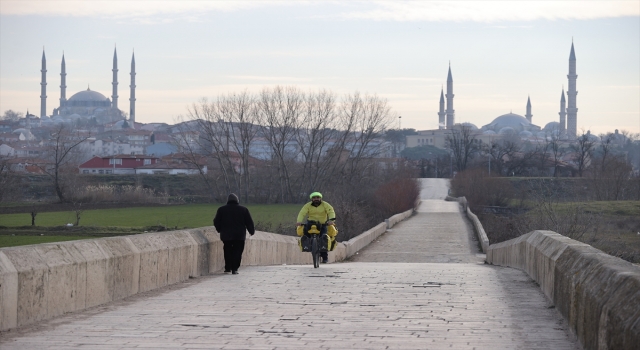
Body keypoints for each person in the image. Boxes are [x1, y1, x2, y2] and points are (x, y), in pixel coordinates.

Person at [213, 193, 255, 275]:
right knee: (238, 251)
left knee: (227, 250)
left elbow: (216, 221)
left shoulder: (221, 209)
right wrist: (251, 231)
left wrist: (219, 229)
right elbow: (249, 222)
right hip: (239, 235)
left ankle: (228, 267)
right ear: (237, 200)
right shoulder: (243, 209)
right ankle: (235, 268)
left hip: (226, 235)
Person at [296, 192, 336, 263]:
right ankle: (307, 246)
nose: (316, 199)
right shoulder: (307, 206)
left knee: (324, 238)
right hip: (310, 223)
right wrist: (299, 221)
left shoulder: (325, 205)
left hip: (322, 223)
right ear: (312, 199)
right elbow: (302, 213)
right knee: (305, 234)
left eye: (318, 197)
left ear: (321, 198)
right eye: (314, 198)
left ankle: (325, 258)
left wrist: (331, 220)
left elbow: (331, 212)